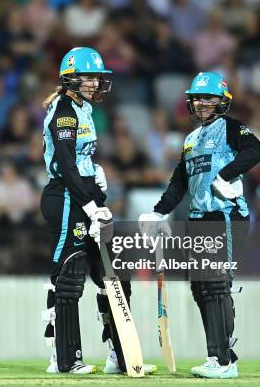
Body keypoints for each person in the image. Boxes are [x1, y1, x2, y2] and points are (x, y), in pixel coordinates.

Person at [139, 72, 260, 379]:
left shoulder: (232, 128)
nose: (203, 104)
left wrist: (225, 176)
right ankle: (219, 357)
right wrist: (158, 213)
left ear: (222, 102)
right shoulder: (191, 140)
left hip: (226, 217)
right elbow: (179, 183)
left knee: (215, 285)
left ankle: (223, 361)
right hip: (198, 221)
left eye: (209, 98)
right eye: (198, 99)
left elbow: (255, 151)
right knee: (202, 287)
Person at [40, 47, 156, 375]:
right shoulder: (64, 110)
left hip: (85, 195)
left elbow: (80, 157)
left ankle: (120, 355)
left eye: (96, 77)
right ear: (72, 79)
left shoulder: (85, 109)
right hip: (65, 197)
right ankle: (62, 358)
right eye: (90, 77)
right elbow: (63, 164)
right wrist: (90, 205)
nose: (95, 83)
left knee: (114, 274)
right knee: (68, 273)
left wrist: (95, 173)